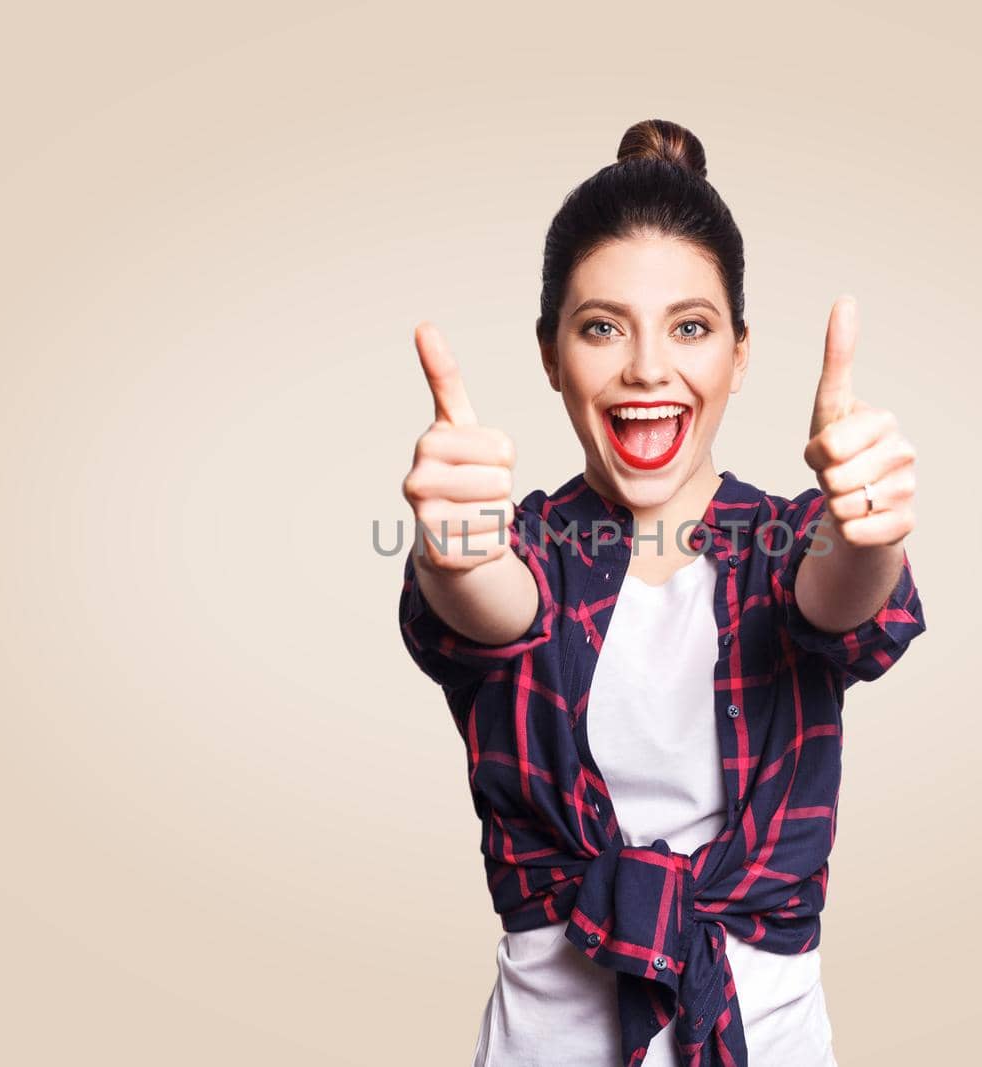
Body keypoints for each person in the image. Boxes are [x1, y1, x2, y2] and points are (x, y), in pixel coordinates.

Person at [398, 118, 929, 1067]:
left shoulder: (786, 543)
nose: (648, 367)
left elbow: (842, 601)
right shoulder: (525, 546)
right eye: (603, 327)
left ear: (739, 352)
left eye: (690, 326)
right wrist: (455, 557)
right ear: (553, 355)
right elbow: (494, 610)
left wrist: (866, 531)